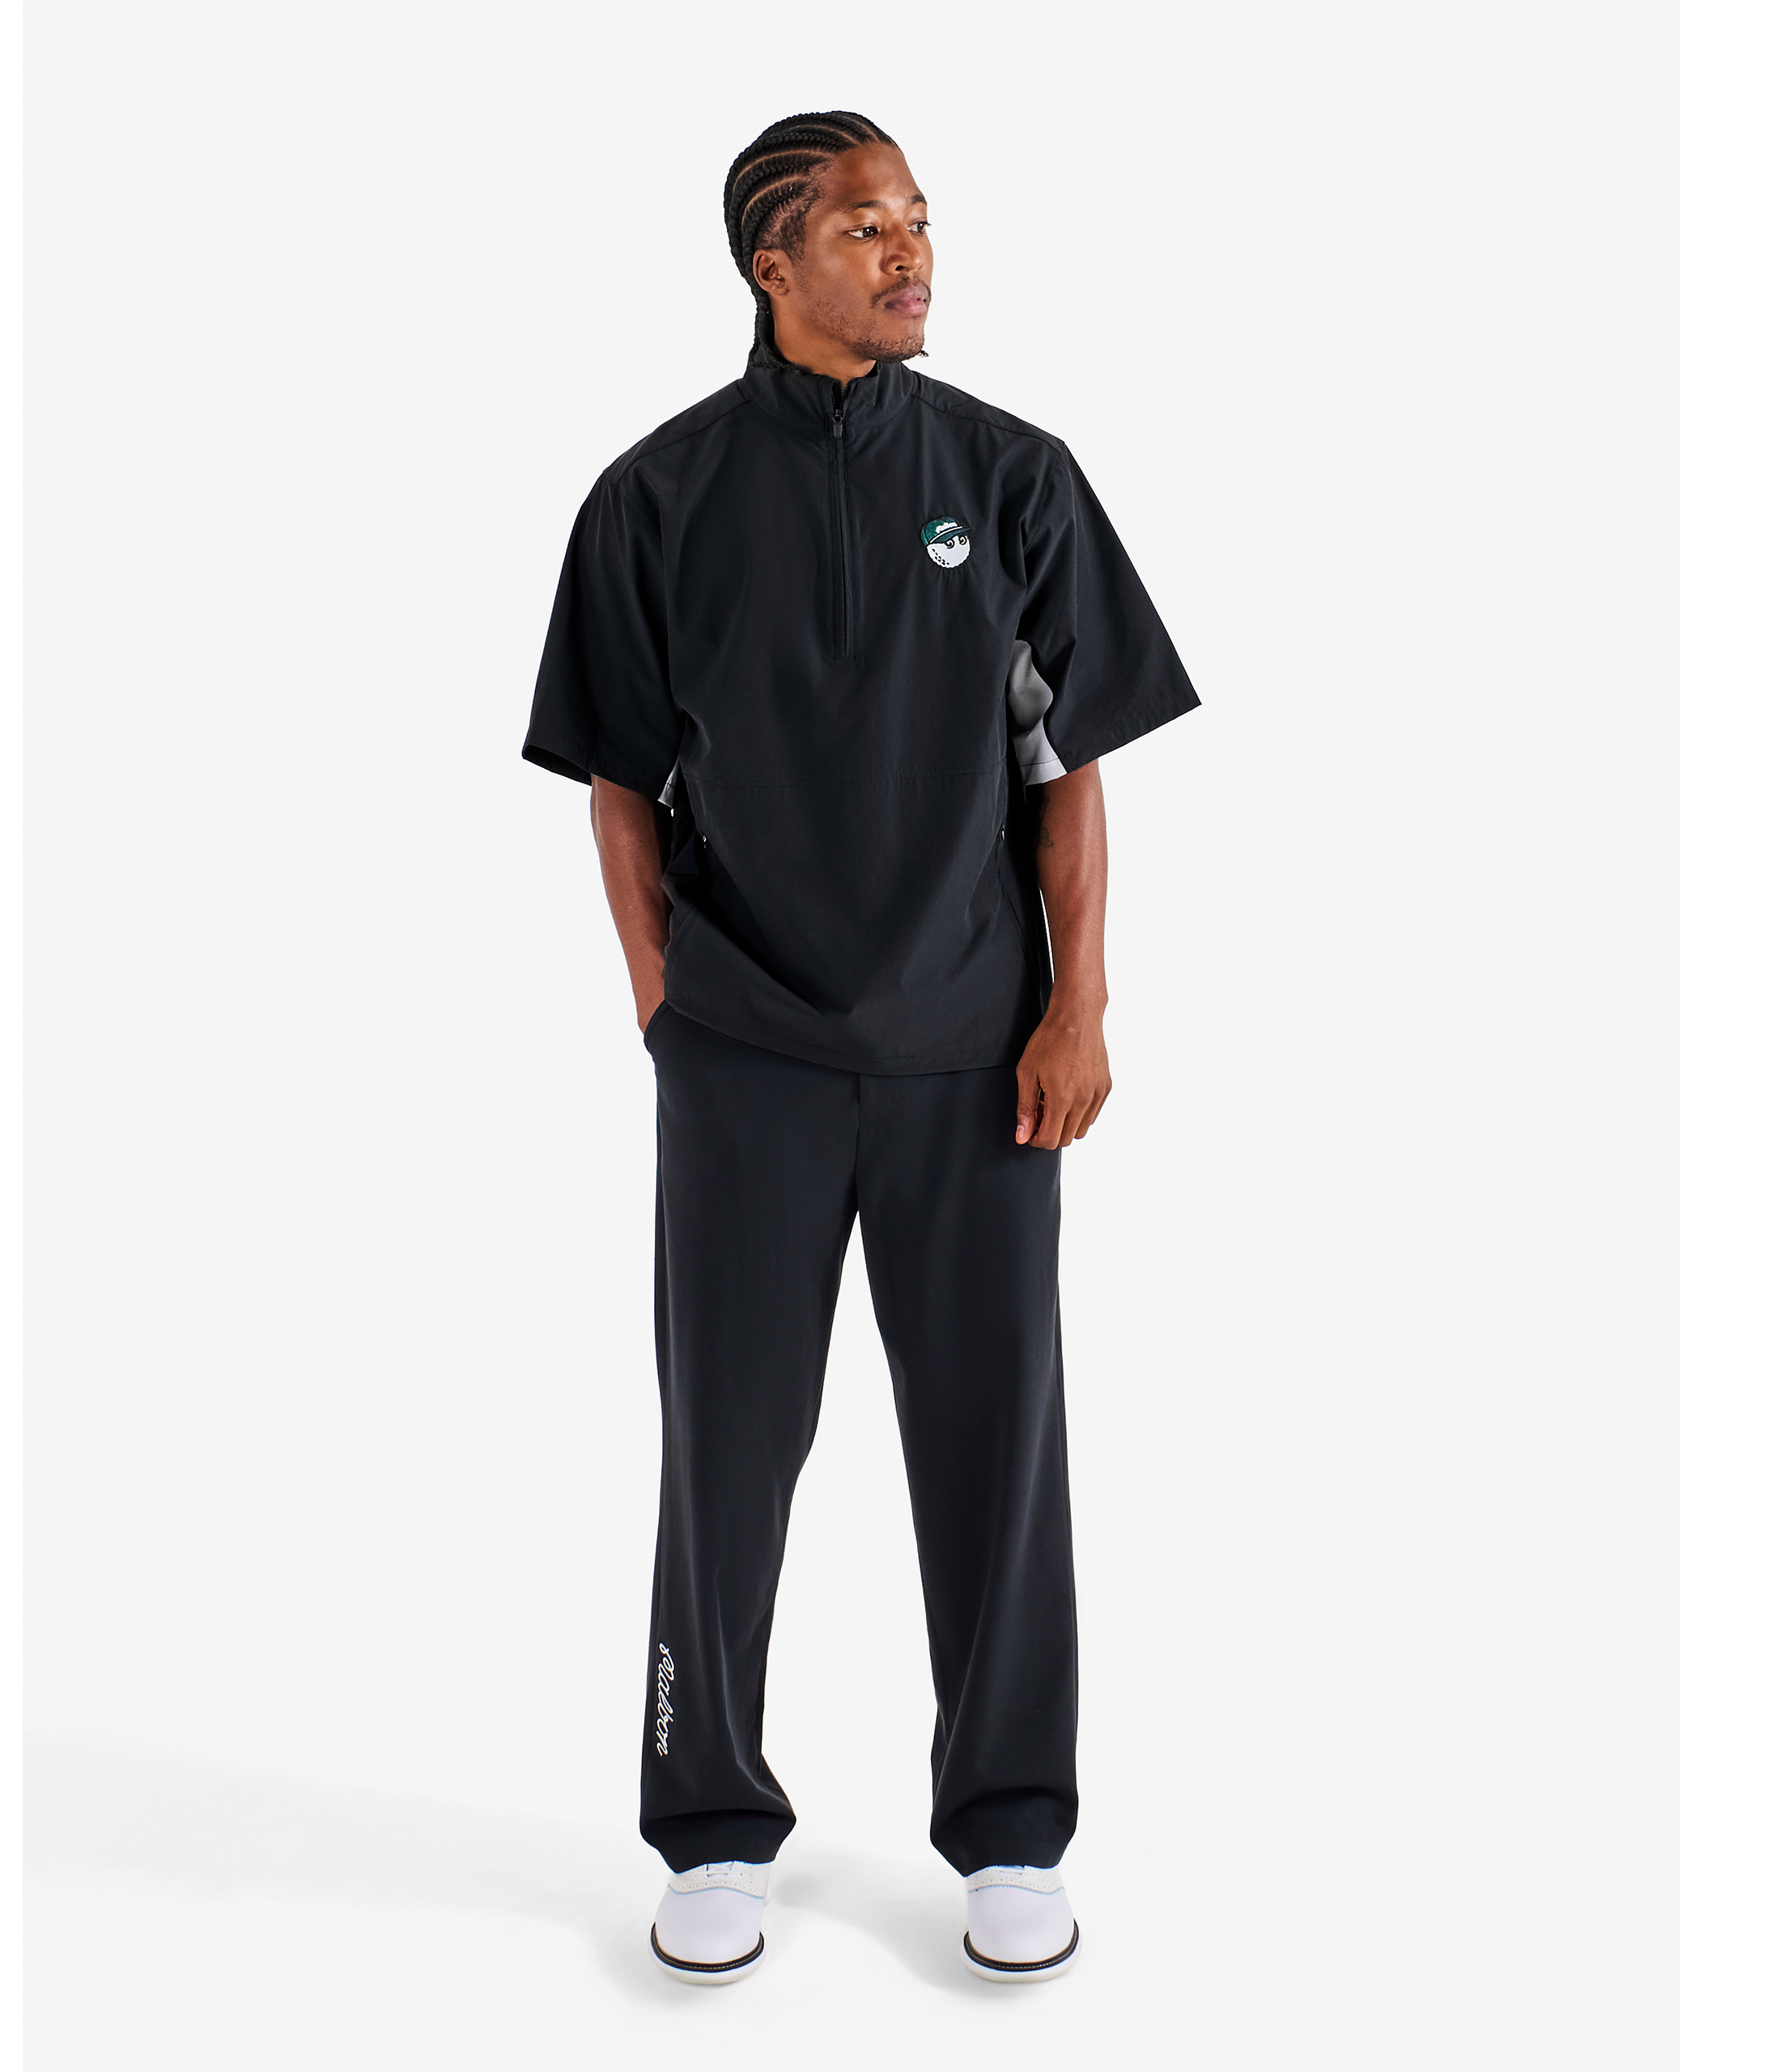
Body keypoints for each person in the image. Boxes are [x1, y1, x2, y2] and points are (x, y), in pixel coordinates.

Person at [523, 109, 1197, 1985]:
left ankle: (1009, 1824)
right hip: (742, 1053)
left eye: (915, 221)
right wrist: (662, 1002)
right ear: (771, 264)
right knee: (723, 1446)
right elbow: (617, 779)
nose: (908, 255)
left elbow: (1066, 773)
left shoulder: (1012, 476)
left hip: (973, 1054)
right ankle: (710, 1819)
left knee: (997, 1443)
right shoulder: (654, 497)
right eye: (862, 228)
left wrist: (1076, 1002)